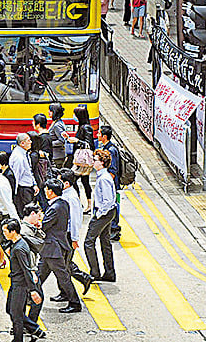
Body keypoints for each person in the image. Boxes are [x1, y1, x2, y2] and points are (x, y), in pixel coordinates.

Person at [38, 179, 81, 313]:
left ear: (50, 192)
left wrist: (38, 221)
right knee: (40, 274)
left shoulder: (54, 208)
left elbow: (44, 226)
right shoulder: (63, 203)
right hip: (54, 247)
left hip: (53, 248)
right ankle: (30, 296)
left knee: (63, 277)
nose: (45, 192)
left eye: (46, 190)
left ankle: (75, 303)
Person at [3, 219, 46, 342]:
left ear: (13, 231)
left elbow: (26, 270)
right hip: (15, 282)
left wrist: (33, 290)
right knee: (10, 309)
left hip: (20, 285)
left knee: (16, 315)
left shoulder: (19, 248)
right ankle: (35, 329)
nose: (4, 233)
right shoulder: (16, 243)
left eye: (5, 231)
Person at [58, 169, 94, 294]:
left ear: (66, 183)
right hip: (63, 233)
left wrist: (74, 238)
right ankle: (64, 291)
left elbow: (74, 220)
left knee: (63, 263)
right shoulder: (65, 194)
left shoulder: (71, 198)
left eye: (60, 180)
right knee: (62, 263)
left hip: (67, 234)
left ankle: (81, 279)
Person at [84, 150, 118, 282]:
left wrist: (98, 214)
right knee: (105, 242)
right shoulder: (102, 176)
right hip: (107, 212)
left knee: (88, 242)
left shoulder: (104, 178)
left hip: (103, 213)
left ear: (102, 163)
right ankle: (109, 273)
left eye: (95, 159)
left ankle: (95, 273)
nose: (93, 161)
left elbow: (108, 201)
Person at [98, 126, 122, 240]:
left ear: (104, 136)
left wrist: (107, 184)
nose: (97, 135)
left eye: (99, 134)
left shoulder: (110, 150)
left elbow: (113, 170)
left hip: (113, 184)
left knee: (114, 205)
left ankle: (114, 228)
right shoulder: (107, 147)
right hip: (112, 184)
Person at [73, 106, 96, 207]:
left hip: (83, 160)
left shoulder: (86, 128)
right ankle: (88, 204)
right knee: (85, 181)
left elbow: (89, 144)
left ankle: (81, 202)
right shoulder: (82, 126)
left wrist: (77, 141)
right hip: (82, 159)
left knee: (73, 179)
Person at [11, 133, 37, 212]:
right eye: (28, 140)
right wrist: (14, 194)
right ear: (22, 143)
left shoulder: (24, 153)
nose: (31, 142)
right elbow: (16, 176)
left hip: (28, 187)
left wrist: (34, 184)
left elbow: (29, 170)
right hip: (23, 189)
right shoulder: (18, 157)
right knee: (26, 212)